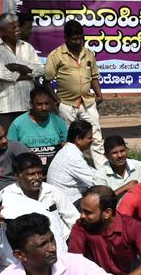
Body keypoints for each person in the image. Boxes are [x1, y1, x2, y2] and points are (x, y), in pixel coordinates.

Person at [0, 212, 141, 275]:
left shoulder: (76, 264)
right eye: (42, 245)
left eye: (52, 240)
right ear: (20, 255)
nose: (52, 248)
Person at [45, 20, 105, 166]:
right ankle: (73, 166)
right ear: (66, 38)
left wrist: (99, 94)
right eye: (74, 39)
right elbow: (47, 80)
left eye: (80, 38)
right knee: (69, 139)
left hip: (87, 102)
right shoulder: (56, 55)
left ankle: (102, 168)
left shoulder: (88, 54)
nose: (78, 42)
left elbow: (94, 76)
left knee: (95, 135)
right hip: (66, 103)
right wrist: (56, 101)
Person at [69, 185, 141, 275]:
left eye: (88, 212)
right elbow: (74, 263)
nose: (82, 216)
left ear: (107, 213)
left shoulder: (131, 226)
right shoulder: (80, 227)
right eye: (82, 210)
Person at [0, 12, 45, 134]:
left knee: (26, 141)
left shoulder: (27, 47)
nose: (18, 30)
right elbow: (1, 74)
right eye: (13, 28)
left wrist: (18, 67)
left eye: (18, 26)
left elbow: (40, 70)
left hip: (26, 105)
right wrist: (28, 74)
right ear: (3, 31)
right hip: (6, 108)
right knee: (7, 142)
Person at [0, 152, 79, 234]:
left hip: (62, 240)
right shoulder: (6, 197)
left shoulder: (52, 191)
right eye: (31, 174)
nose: (37, 177)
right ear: (17, 176)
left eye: (39, 173)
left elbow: (73, 218)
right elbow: (3, 229)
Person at [6, 85, 67, 165]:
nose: (44, 108)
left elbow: (66, 146)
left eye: (46, 103)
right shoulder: (18, 124)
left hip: (55, 168)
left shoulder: (58, 122)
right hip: (28, 168)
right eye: (39, 104)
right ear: (31, 104)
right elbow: (10, 148)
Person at [46, 119, 96, 200]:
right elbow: (96, 181)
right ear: (78, 139)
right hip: (70, 203)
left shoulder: (69, 151)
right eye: (89, 138)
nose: (92, 140)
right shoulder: (73, 156)